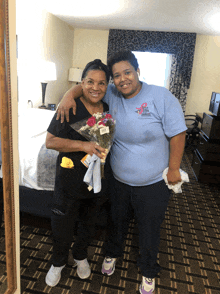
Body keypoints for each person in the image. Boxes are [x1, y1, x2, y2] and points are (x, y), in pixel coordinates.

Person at [56, 50, 187, 294]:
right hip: (118, 180)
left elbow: (178, 133)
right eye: (116, 75)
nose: (122, 79)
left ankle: (148, 269)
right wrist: (67, 94)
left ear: (137, 71)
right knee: (117, 222)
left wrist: (174, 168)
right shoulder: (113, 95)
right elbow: (86, 87)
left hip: (153, 183)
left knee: (149, 228)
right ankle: (112, 254)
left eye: (127, 72)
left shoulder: (160, 96)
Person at [45, 59, 112, 287]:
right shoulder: (69, 106)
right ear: (82, 83)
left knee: (88, 223)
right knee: (62, 224)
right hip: (69, 178)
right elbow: (50, 142)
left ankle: (80, 256)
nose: (96, 87)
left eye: (102, 83)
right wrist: (83, 146)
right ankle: (58, 262)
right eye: (90, 81)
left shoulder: (108, 108)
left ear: (107, 86)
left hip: (96, 180)